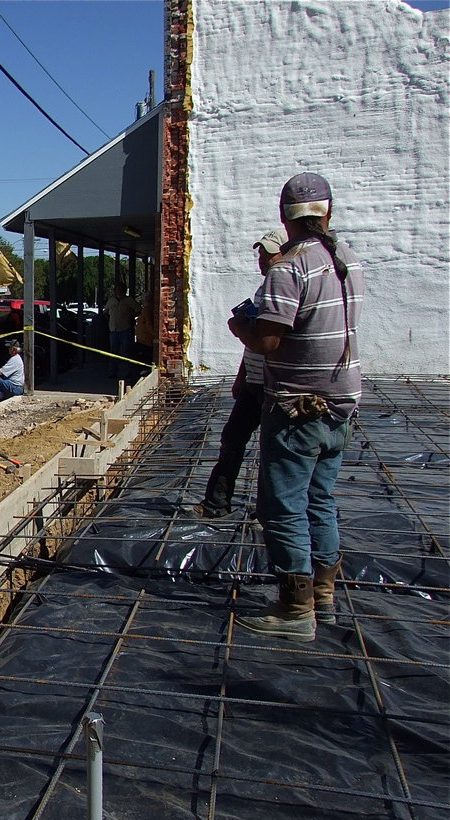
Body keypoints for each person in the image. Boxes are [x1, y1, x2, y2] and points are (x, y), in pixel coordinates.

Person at [228, 173, 363, 641]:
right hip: (341, 404)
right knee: (319, 499)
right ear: (328, 213)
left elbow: (268, 341)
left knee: (282, 506)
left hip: (297, 407)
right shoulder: (347, 260)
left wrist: (241, 328)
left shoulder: (290, 268)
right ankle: (323, 595)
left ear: (285, 219)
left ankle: (294, 609)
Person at [195, 229, 288, 518]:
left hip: (276, 385)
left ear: (285, 254)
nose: (262, 259)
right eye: (260, 254)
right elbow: (253, 343)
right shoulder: (263, 289)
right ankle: (216, 504)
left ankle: (271, 514)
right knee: (232, 439)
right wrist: (241, 376)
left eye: (268, 254)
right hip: (253, 382)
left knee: (274, 451)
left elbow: (271, 341)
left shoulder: (287, 289)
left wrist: (239, 329)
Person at [104, 274, 142, 380]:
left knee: (127, 352)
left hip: (126, 329)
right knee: (113, 352)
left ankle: (129, 372)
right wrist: (109, 321)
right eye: (117, 289)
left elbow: (139, 310)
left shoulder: (129, 300)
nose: (119, 291)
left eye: (121, 289)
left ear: (124, 290)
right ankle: (112, 372)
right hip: (113, 330)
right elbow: (105, 312)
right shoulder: (111, 300)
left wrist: (132, 317)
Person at [0, 340, 26, 405]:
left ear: (13, 349)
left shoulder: (15, 359)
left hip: (16, 388)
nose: (8, 349)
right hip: (17, 387)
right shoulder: (17, 358)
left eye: (9, 348)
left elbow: (0, 372)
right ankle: (0, 395)